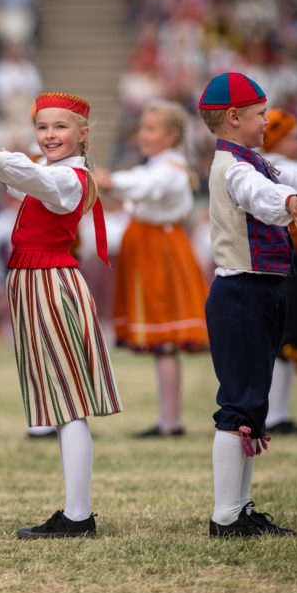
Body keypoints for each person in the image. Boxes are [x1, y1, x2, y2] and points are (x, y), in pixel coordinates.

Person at [0, 91, 122, 539]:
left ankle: (78, 516)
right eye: (43, 127)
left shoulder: (70, 177)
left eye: (60, 127)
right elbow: (22, 179)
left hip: (50, 283)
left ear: (83, 134)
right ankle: (75, 512)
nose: (49, 135)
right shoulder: (56, 171)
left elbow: (32, 178)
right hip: (37, 281)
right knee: (62, 402)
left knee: (68, 403)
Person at [197, 73, 297, 538]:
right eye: (260, 114)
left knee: (250, 406)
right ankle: (227, 517)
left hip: (258, 290)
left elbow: (292, 172)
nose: (267, 121)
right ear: (233, 118)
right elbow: (262, 195)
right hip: (242, 292)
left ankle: (239, 509)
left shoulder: (252, 161)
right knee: (238, 404)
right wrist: (289, 200)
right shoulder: (236, 168)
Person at [96, 99, 208, 439]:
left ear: (172, 135)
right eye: (143, 127)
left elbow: (148, 185)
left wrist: (111, 181)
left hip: (160, 250)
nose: (143, 134)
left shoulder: (171, 170)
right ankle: (168, 420)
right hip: (150, 246)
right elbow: (142, 180)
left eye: (151, 128)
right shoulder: (159, 166)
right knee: (161, 340)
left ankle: (170, 421)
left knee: (164, 336)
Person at [260, 109, 297, 437]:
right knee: (285, 334)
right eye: (294, 136)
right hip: (288, 256)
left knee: (287, 334)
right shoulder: (276, 166)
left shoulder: (276, 166)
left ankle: (277, 413)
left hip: (294, 256)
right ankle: (275, 415)